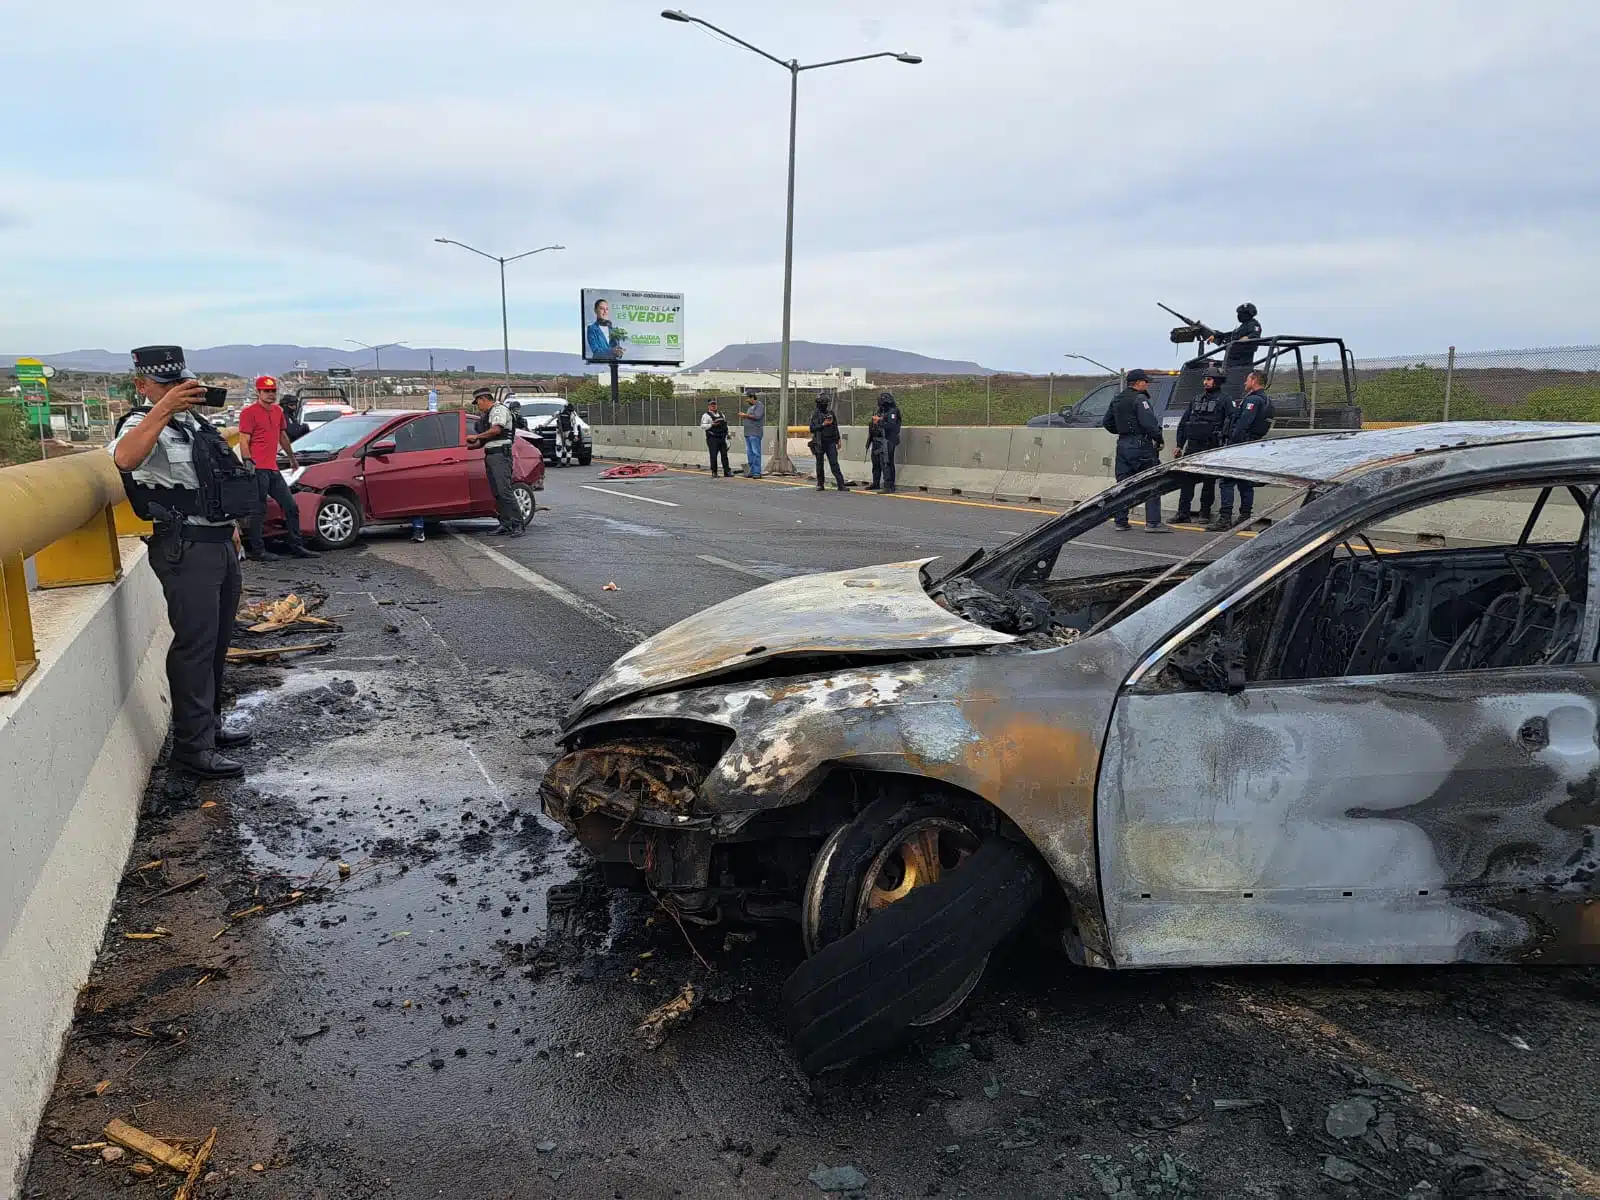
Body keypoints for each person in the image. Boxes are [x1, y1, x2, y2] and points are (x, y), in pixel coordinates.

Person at [108, 346, 259, 779]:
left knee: (216, 639)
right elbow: (125, 459)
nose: (176, 391)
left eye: (180, 384)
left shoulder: (194, 423)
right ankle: (192, 750)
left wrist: (229, 525)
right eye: (166, 385)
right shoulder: (141, 423)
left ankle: (207, 727)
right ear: (142, 385)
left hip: (217, 542)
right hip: (185, 547)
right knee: (194, 644)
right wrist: (163, 408)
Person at [237, 375, 317, 561]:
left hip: (273, 468)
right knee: (259, 510)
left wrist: (291, 458)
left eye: (273, 391)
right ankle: (258, 551)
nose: (271, 394)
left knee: (290, 506)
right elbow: (243, 440)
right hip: (258, 468)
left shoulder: (278, 412)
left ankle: (296, 546)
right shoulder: (249, 413)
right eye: (267, 391)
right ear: (258, 392)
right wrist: (248, 462)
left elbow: (282, 436)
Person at [1100, 368, 1166, 532]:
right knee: (1152, 481)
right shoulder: (1140, 399)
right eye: (1145, 381)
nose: (1147, 384)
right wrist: (1159, 438)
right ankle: (1153, 522)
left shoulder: (1117, 399)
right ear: (1138, 382)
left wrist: (1123, 431)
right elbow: (1149, 423)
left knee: (1123, 485)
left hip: (1123, 445)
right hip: (1141, 446)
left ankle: (1121, 521)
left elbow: (1107, 422)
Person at [1208, 370, 1274, 531]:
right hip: (1253, 444)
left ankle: (1225, 518)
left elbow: (1243, 424)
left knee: (1227, 481)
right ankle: (1245, 518)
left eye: (1247, 380)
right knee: (1246, 482)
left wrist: (1232, 445)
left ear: (1254, 380)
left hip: (1242, 444)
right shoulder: (1267, 400)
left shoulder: (1253, 400)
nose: (1245, 383)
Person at [465, 387, 524, 536]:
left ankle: (518, 524)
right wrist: (464, 447)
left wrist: (477, 437)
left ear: (483, 399)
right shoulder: (486, 415)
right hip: (491, 454)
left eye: (478, 403)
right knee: (497, 492)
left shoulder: (498, 410)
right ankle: (506, 523)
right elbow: (484, 441)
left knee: (504, 491)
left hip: (500, 456)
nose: (478, 406)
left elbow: (496, 430)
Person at [1171, 369, 1227, 524]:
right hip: (1193, 445)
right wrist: (1179, 445)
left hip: (1212, 446)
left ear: (1217, 381)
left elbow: (1230, 424)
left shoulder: (1224, 400)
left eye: (1209, 379)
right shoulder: (1196, 399)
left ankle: (1205, 513)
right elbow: (1184, 423)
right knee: (1186, 481)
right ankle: (1183, 513)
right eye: (1205, 379)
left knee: (1208, 482)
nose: (1205, 382)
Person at [808, 396, 848, 491]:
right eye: (823, 403)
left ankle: (841, 485)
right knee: (820, 464)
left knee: (834, 463)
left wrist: (838, 439)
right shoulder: (815, 415)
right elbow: (812, 428)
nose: (825, 405)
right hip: (819, 442)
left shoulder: (830, 413)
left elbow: (835, 427)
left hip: (830, 442)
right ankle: (820, 484)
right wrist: (823, 424)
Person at [866, 391, 903, 492]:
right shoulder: (880, 411)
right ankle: (876, 483)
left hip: (888, 440)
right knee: (876, 462)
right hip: (877, 439)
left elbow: (892, 426)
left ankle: (889, 485)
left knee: (886, 463)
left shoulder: (893, 411)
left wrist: (879, 421)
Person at [701, 399, 732, 477]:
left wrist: (728, 433)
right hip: (712, 438)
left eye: (714, 404)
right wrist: (712, 424)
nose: (714, 406)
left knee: (724, 455)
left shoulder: (721, 414)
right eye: (712, 405)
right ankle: (714, 472)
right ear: (709, 406)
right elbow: (703, 426)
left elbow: (725, 425)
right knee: (713, 455)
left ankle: (727, 471)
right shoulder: (706, 415)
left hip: (722, 437)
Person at [739, 393, 766, 478]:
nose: (747, 401)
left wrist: (745, 415)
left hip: (755, 432)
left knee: (755, 452)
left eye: (748, 399)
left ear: (752, 398)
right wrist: (744, 417)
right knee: (749, 453)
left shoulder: (759, 406)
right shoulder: (750, 408)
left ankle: (757, 472)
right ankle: (751, 471)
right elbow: (750, 417)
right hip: (748, 432)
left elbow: (757, 417)